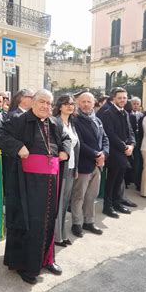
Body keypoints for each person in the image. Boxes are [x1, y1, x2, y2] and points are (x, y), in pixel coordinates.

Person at [0, 89, 71, 285]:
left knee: (48, 220)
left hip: (51, 181)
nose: (45, 106)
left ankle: (47, 259)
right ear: (33, 103)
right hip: (27, 183)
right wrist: (17, 146)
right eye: (41, 101)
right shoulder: (19, 120)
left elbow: (66, 138)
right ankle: (26, 265)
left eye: (49, 103)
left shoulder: (54, 123)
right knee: (30, 223)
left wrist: (64, 150)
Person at [71, 92, 108, 237]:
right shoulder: (75, 120)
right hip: (84, 164)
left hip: (97, 165)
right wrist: (96, 155)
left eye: (89, 102)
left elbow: (105, 138)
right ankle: (76, 223)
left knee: (92, 195)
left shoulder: (97, 120)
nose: (86, 104)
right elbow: (80, 143)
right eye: (83, 102)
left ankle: (89, 221)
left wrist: (104, 153)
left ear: (94, 103)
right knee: (79, 195)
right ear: (78, 103)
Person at [99, 87, 135, 218]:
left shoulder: (125, 112)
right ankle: (107, 206)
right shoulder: (107, 113)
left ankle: (117, 203)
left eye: (125, 98)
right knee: (112, 181)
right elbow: (110, 134)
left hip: (124, 151)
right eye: (120, 98)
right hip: (114, 152)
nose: (122, 100)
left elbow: (130, 132)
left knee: (120, 180)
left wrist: (131, 145)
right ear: (113, 98)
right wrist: (125, 147)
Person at [53, 94, 79, 246]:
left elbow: (75, 148)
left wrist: (75, 168)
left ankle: (62, 233)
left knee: (65, 202)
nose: (70, 106)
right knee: (58, 203)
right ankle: (56, 236)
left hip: (71, 168)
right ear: (60, 106)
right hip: (59, 168)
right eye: (66, 103)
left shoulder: (72, 123)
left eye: (72, 104)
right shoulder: (55, 122)